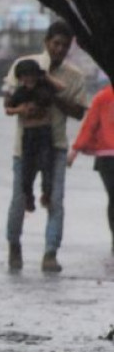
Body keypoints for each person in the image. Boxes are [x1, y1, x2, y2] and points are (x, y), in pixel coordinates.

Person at [3, 21, 88, 273]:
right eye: (56, 44)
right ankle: (13, 245)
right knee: (20, 198)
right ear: (46, 43)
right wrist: (23, 108)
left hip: (56, 145)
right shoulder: (25, 66)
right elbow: (8, 101)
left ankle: (50, 252)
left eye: (65, 45)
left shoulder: (75, 76)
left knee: (56, 199)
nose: (59, 49)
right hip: (25, 145)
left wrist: (54, 99)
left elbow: (78, 111)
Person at [6, 59, 64, 212]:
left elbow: (61, 88)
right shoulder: (20, 92)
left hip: (44, 132)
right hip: (29, 133)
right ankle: (28, 195)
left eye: (32, 75)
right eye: (25, 76)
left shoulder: (44, 88)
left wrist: (46, 77)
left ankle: (46, 193)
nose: (29, 79)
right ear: (20, 77)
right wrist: (21, 109)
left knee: (47, 167)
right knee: (26, 170)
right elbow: (8, 109)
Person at [68, 84, 114, 251]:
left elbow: (90, 125)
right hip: (107, 156)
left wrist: (75, 151)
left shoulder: (102, 97)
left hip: (106, 157)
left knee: (113, 198)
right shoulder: (103, 97)